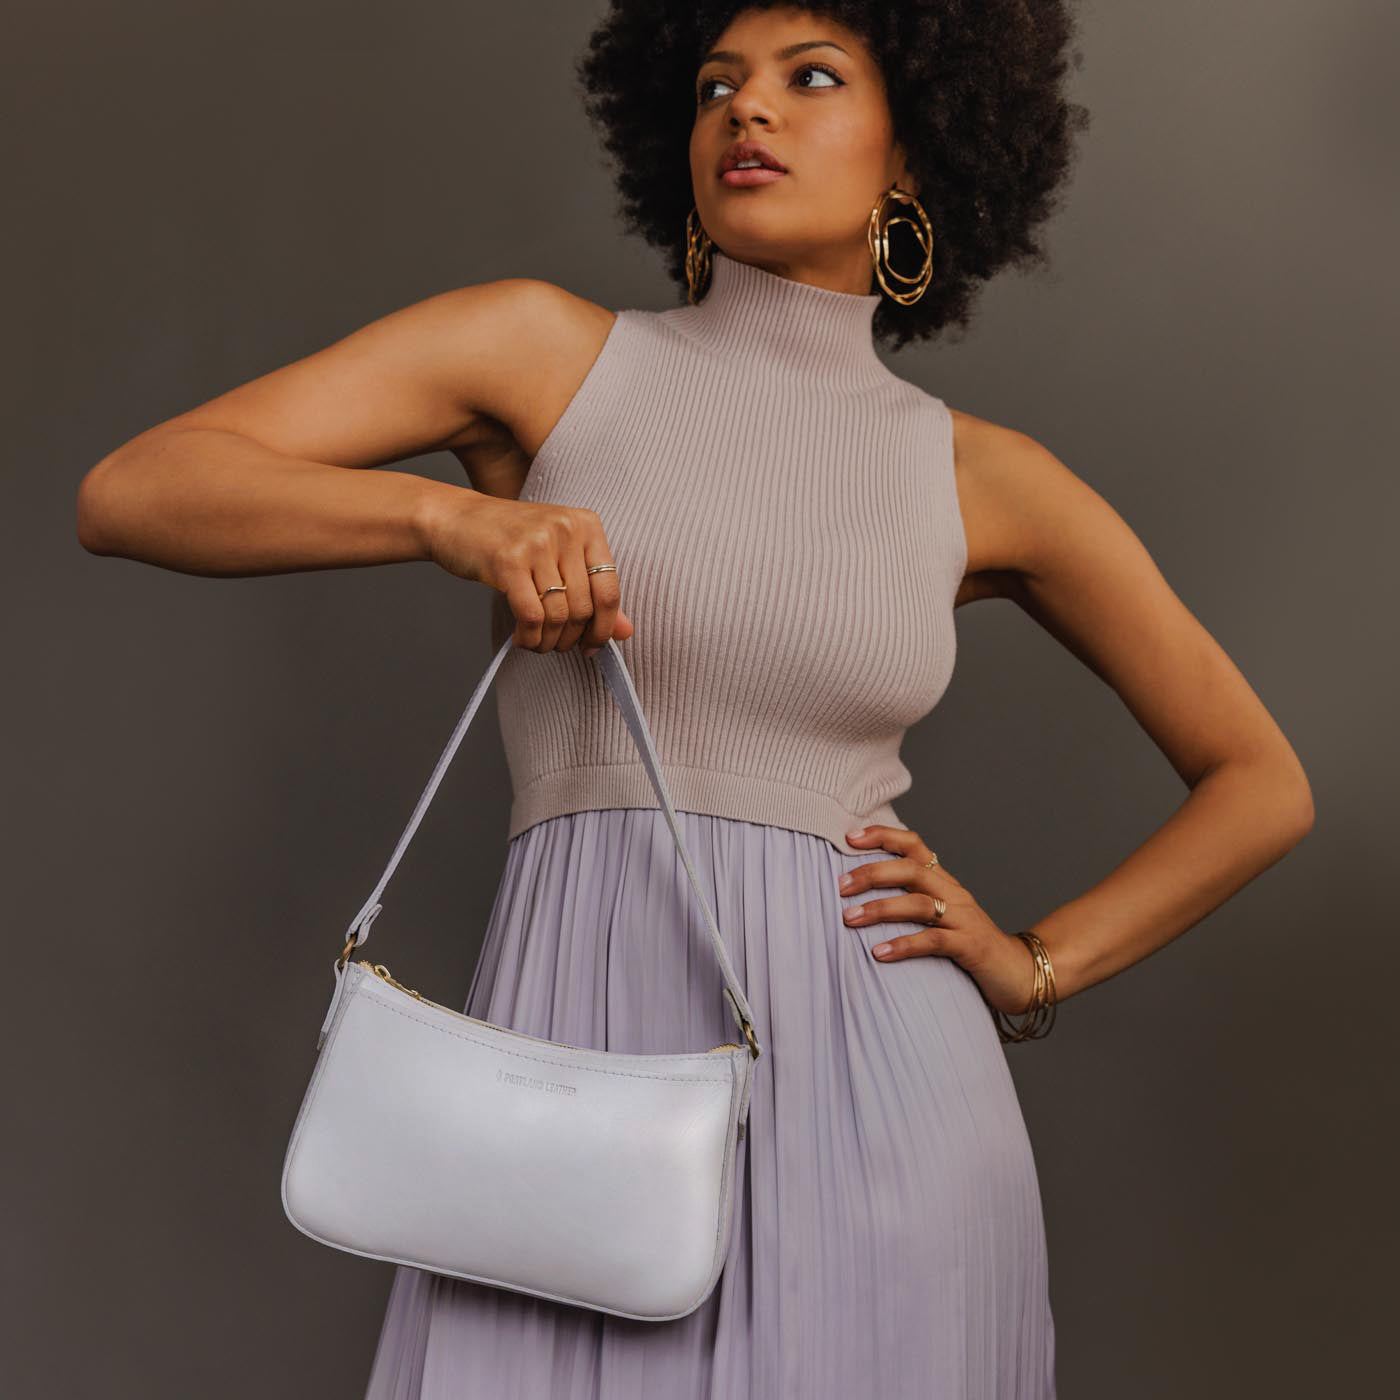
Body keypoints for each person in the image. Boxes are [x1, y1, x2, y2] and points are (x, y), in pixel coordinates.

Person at [75, 4, 1315, 1397]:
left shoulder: (982, 478)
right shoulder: (541, 355)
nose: (749, 110)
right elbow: (135, 491)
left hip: (884, 1122)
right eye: (718, 84)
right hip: (568, 1100)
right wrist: (450, 521)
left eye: (811, 77)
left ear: (917, 153)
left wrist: (1035, 965)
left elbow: (1261, 782)